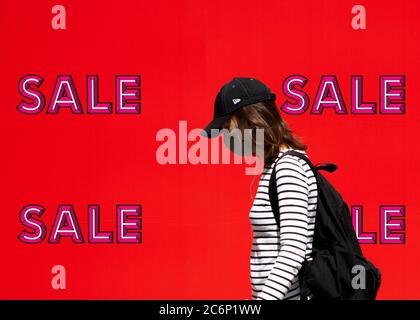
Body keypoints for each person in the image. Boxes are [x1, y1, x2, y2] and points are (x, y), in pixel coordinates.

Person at [201, 77, 318, 300]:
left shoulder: (287, 168)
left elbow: (293, 250)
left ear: (249, 119)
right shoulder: (275, 166)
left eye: (227, 128)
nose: (225, 137)